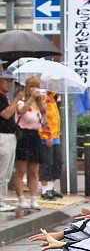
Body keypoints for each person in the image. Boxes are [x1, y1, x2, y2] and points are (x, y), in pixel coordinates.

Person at [14, 76, 47, 209]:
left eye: (37, 86)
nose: (34, 89)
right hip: (24, 136)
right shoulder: (22, 102)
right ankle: (21, 198)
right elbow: (21, 111)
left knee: (34, 171)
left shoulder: (39, 105)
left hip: (35, 136)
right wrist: (32, 98)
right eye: (32, 86)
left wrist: (43, 110)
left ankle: (34, 198)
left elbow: (44, 123)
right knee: (21, 170)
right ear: (27, 88)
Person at [0, 70, 20, 212]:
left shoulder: (5, 97)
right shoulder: (1, 98)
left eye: (11, 81)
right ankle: (0, 201)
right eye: (6, 80)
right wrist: (17, 99)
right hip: (3, 137)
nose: (9, 83)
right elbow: (6, 114)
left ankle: (2, 199)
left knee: (6, 172)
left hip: (9, 136)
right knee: (3, 171)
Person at [39, 91, 63, 200]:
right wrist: (48, 135)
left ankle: (51, 187)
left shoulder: (53, 99)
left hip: (56, 135)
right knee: (47, 162)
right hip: (46, 137)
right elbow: (45, 119)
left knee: (57, 162)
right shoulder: (44, 99)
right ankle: (44, 189)